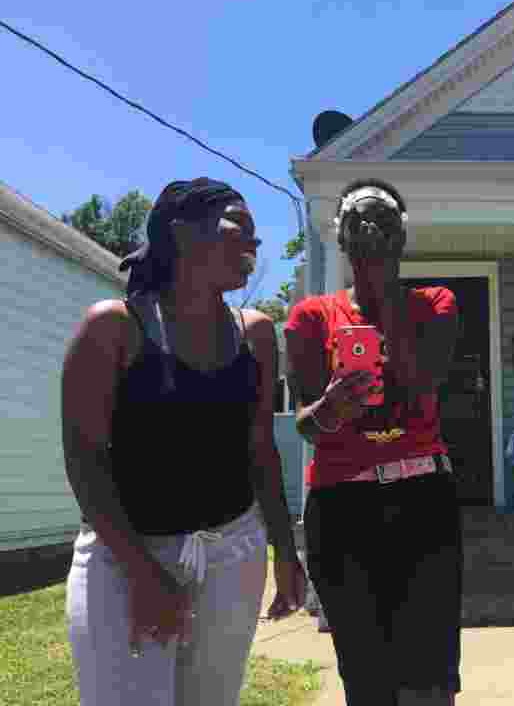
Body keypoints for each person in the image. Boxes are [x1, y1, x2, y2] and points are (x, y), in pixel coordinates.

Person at [61, 178, 305, 706]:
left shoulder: (257, 335)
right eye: (238, 229)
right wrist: (143, 574)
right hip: (122, 554)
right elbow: (85, 464)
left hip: (231, 552)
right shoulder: (114, 329)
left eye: (257, 239)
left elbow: (261, 451)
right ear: (182, 235)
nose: (253, 246)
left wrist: (285, 551)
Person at [285, 179, 461, 706]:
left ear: (402, 236)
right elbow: (304, 422)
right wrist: (332, 408)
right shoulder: (310, 317)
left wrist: (379, 296)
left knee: (428, 678)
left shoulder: (435, 303)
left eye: (382, 215)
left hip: (422, 499)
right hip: (343, 507)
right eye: (356, 215)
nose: (368, 222)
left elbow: (424, 382)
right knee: (366, 677)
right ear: (339, 234)